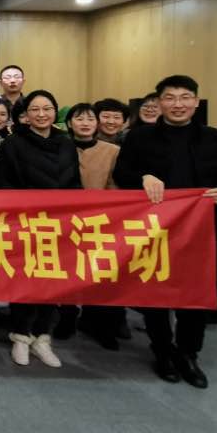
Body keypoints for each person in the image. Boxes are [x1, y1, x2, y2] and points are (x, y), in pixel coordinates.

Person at [114, 74, 217, 389]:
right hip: (155, 230)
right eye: (170, 98)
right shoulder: (139, 138)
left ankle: (188, 353)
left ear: (196, 102)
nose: (177, 104)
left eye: (185, 97)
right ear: (159, 103)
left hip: (202, 231)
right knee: (155, 293)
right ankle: (162, 350)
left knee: (194, 296)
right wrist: (143, 176)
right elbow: (122, 173)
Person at [0, 89, 81, 368]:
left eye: (47, 109)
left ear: (55, 112)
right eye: (35, 109)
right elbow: (3, 185)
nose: (41, 114)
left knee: (52, 282)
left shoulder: (66, 144)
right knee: (25, 280)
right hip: (25, 224)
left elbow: (75, 184)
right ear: (25, 115)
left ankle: (43, 337)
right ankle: (20, 336)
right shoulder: (12, 144)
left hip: (59, 224)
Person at [53, 102, 122, 349]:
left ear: (97, 123)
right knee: (67, 270)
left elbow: (115, 184)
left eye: (90, 119)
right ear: (69, 123)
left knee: (100, 273)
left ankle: (99, 323)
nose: (85, 123)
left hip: (101, 220)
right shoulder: (58, 147)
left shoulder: (112, 151)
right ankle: (67, 317)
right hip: (65, 220)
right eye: (79, 119)